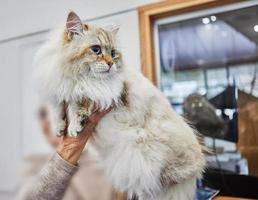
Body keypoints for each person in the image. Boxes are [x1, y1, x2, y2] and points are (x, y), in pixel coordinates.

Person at [16, 106, 126, 200]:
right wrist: (70, 146)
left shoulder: (111, 163)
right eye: (41, 116)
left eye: (47, 114)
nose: (44, 125)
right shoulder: (34, 162)